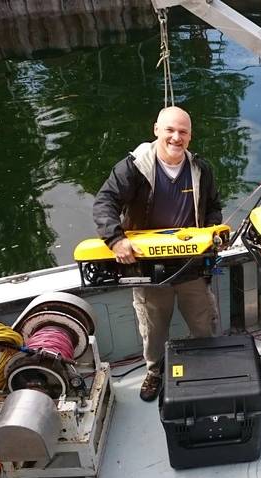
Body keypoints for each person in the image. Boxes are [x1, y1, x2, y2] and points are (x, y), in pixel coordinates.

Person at [93, 106, 223, 402]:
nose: (176, 138)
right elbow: (104, 202)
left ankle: (208, 364)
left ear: (190, 136)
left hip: (191, 265)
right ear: (156, 130)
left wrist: (213, 232)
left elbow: (214, 205)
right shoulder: (133, 167)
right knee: (153, 328)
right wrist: (116, 240)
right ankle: (155, 371)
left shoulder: (201, 168)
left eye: (183, 132)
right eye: (170, 130)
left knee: (204, 321)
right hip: (148, 269)